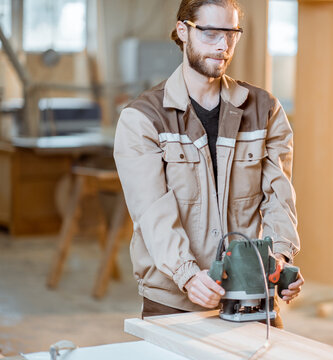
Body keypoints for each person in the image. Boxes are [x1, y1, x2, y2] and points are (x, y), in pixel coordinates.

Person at [113, 0, 303, 327]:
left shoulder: (265, 110)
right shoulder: (142, 118)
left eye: (231, 34)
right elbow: (152, 212)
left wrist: (281, 258)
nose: (222, 46)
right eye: (211, 33)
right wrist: (186, 275)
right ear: (183, 31)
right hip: (173, 299)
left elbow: (279, 197)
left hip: (250, 293)